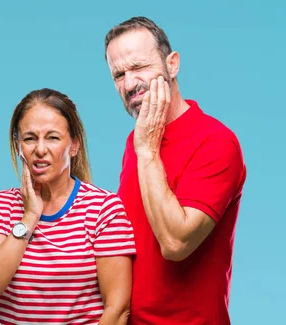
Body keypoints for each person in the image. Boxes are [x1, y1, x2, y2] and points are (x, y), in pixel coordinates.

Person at [103, 16, 247, 325]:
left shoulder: (217, 142)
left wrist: (148, 151)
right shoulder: (135, 141)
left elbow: (175, 243)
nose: (129, 84)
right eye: (118, 74)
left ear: (173, 64)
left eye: (139, 67)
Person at [0, 88, 137, 324]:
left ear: (73, 145)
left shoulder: (103, 208)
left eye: (52, 137)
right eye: (29, 138)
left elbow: (118, 309)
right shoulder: (0, 204)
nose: (40, 149)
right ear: (18, 146)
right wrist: (29, 217)